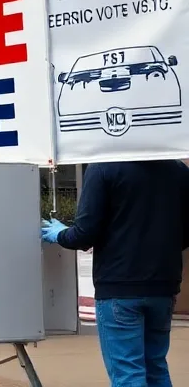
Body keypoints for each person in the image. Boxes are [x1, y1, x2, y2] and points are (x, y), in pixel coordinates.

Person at [43, 160, 189, 386]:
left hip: (119, 287)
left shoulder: (103, 168)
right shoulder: (177, 169)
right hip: (164, 286)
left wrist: (59, 234)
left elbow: (84, 234)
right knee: (156, 367)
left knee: (128, 374)